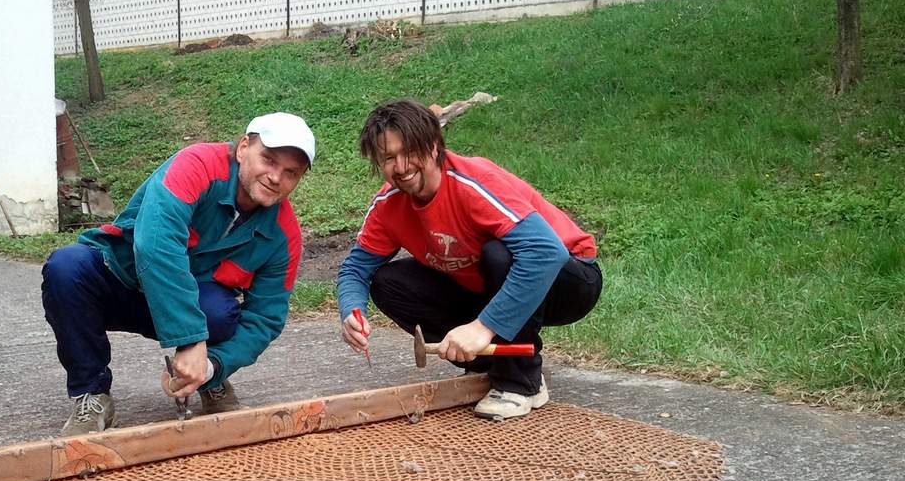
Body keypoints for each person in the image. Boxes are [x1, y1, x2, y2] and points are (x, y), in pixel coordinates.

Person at [42, 112, 314, 433]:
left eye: (290, 172)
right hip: (121, 278)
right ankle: (92, 394)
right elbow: (155, 245)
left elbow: (265, 318)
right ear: (243, 148)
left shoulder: (284, 235)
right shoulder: (196, 165)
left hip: (192, 303)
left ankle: (207, 379)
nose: (275, 177)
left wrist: (212, 365)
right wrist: (191, 339)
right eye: (268, 160)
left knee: (221, 312)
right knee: (66, 268)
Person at [336, 99, 601, 420]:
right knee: (388, 283)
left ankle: (521, 383)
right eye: (388, 158)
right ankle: (487, 365)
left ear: (434, 145)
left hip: (569, 278)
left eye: (410, 151)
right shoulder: (388, 205)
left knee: (500, 253)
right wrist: (351, 311)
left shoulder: (472, 182)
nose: (401, 167)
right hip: (485, 284)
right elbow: (356, 269)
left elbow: (546, 253)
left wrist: (482, 327)